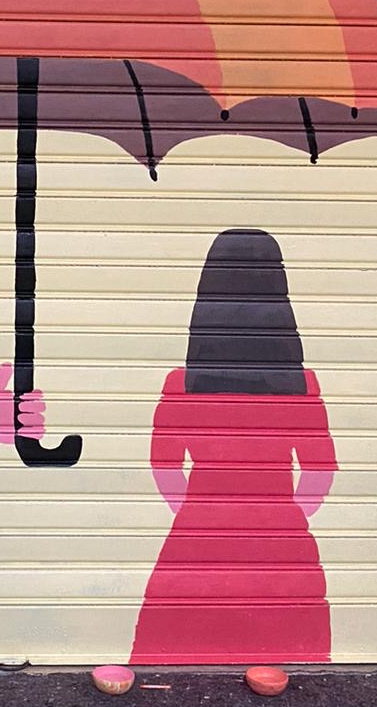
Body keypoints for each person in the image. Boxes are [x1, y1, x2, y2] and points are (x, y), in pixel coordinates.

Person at [130, 229, 337, 664]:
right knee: (290, 659)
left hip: (197, 537)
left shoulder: (181, 384)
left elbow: (164, 464)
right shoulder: (302, 385)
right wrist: (285, 516)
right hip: (282, 539)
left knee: (177, 653)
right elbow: (320, 469)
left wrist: (199, 511)